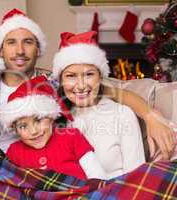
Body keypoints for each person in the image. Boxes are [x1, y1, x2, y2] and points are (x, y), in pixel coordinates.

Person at [0, 8, 175, 158]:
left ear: (38, 49)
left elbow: (116, 91)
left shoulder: (52, 82)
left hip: (39, 163)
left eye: (28, 42)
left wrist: (150, 116)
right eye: (11, 42)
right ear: (0, 49)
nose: (20, 50)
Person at [53, 31, 145, 178]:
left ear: (100, 77)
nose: (81, 86)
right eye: (71, 76)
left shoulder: (122, 115)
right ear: (61, 81)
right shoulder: (54, 118)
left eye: (89, 74)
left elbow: (136, 177)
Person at [0, 76, 107, 180]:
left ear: (51, 117)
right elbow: (11, 183)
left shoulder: (71, 136)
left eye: (38, 120)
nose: (33, 131)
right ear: (15, 129)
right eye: (23, 126)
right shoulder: (15, 151)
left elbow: (95, 173)